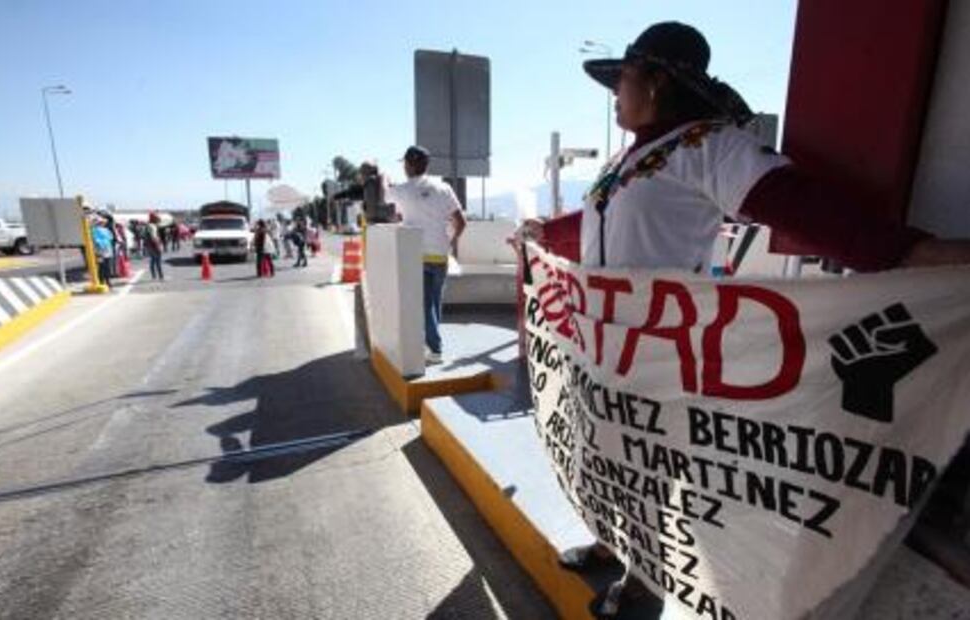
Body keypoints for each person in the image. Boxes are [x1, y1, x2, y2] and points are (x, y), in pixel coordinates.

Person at [515, 21, 970, 618]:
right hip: (605, 345)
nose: (615, 93)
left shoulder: (710, 146)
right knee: (604, 451)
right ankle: (608, 540)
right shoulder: (630, 159)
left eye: (622, 78)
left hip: (660, 350)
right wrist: (544, 235)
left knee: (651, 467)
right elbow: (595, 223)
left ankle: (646, 582)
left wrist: (915, 253)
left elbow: (800, 206)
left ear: (654, 82)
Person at [388, 146, 467, 365]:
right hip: (440, 256)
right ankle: (431, 345)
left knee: (425, 305)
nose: (404, 167)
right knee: (434, 303)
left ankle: (435, 348)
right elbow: (461, 223)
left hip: (416, 256)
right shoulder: (444, 188)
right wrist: (450, 243)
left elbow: (380, 198)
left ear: (410, 165)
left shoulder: (401, 190)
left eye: (404, 163)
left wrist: (381, 177)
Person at [91, 218, 114, 289]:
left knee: (105, 266)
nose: (103, 223)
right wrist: (103, 242)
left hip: (105, 250)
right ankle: (103, 281)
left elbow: (111, 237)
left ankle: (106, 280)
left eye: (103, 222)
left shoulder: (105, 230)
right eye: (101, 222)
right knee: (102, 266)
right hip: (101, 250)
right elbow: (96, 239)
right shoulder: (95, 230)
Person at [145, 212, 164, 281]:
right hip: (154, 245)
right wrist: (158, 246)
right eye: (156, 218)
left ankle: (154, 276)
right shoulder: (152, 226)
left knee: (153, 261)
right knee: (158, 261)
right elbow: (154, 237)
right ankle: (161, 276)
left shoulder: (149, 225)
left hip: (150, 245)